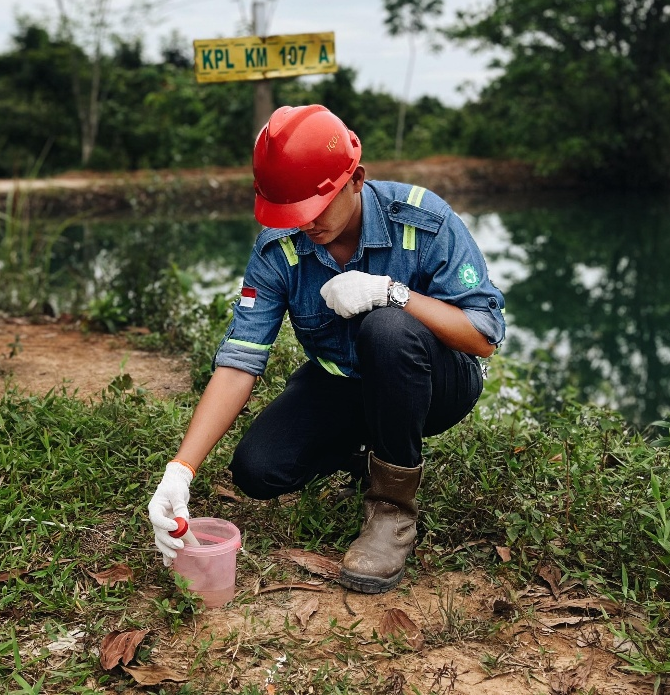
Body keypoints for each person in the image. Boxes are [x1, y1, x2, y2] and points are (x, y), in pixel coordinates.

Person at [147, 104, 505, 593]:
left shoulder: (424, 219)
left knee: (386, 329)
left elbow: (482, 336)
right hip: (346, 382)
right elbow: (239, 361)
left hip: (436, 383)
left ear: (356, 178)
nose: (305, 224)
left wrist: (393, 294)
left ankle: (392, 513)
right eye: (291, 212)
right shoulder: (279, 250)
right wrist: (179, 471)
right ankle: (371, 453)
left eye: (315, 209)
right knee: (258, 469)